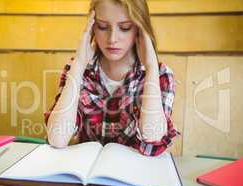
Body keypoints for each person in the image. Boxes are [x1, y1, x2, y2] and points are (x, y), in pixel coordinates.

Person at [44, 0, 180, 156]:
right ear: (92, 27)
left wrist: (150, 67)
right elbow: (57, 139)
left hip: (134, 176)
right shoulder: (77, 70)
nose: (112, 39)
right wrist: (79, 64)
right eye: (103, 27)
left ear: (139, 30)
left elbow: (153, 137)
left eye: (125, 28)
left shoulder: (160, 74)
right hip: (85, 176)